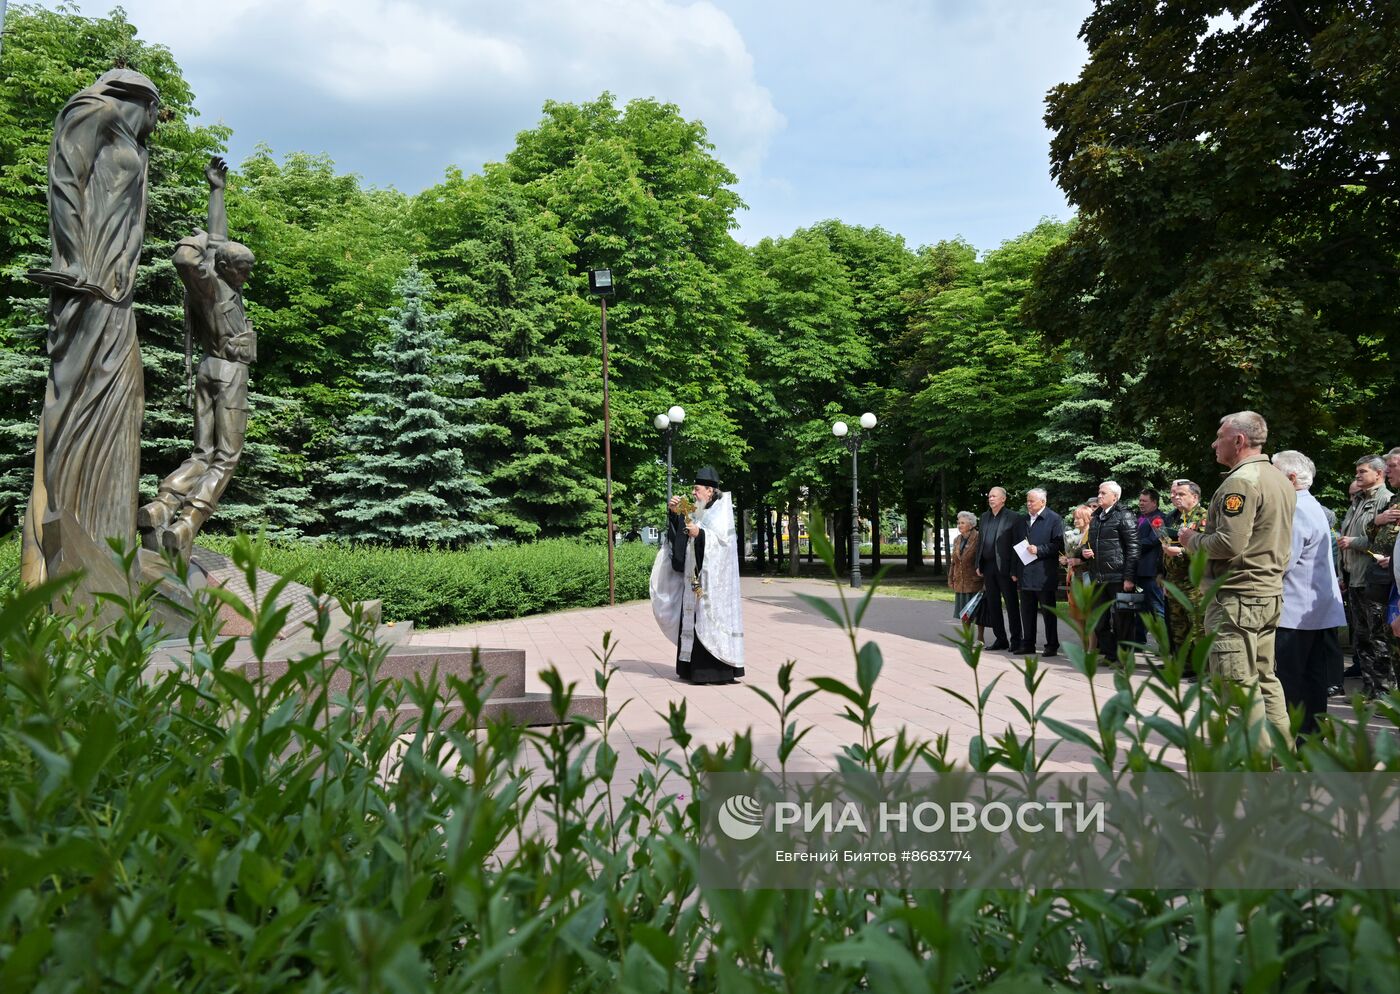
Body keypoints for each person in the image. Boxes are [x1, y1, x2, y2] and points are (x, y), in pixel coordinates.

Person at [21, 69, 162, 585]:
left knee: (127, 399)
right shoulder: (94, 111)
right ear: (143, 104)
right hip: (90, 282)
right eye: (157, 116)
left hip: (116, 289)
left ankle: (108, 543)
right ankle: (58, 551)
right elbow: (65, 181)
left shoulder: (134, 147)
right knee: (77, 399)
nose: (157, 127)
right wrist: (76, 260)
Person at [138, 156, 258, 562]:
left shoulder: (222, 279)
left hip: (209, 371)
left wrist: (217, 191)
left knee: (202, 454)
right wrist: (196, 242)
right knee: (226, 458)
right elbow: (185, 259)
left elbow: (218, 238)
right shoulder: (210, 289)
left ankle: (161, 506)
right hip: (227, 373)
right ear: (225, 268)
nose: (247, 276)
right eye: (243, 269)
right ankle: (187, 523)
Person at [1178, 411, 1295, 750]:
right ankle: (1281, 761)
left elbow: (1229, 543)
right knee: (1265, 680)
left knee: (1236, 686)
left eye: (1219, 436)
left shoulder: (1240, 482)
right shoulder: (1278, 479)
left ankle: (1254, 772)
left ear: (1239, 441)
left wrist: (1191, 541)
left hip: (1236, 596)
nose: (1215, 443)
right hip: (1266, 593)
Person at [1271, 450, 1346, 738]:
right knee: (1312, 678)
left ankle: (1300, 739)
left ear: (1290, 478)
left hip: (1296, 611)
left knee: (1293, 680)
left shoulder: (1295, 509)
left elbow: (1283, 561)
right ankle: (1312, 737)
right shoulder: (1309, 505)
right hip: (1310, 611)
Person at [650, 467, 745, 684]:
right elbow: (684, 532)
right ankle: (692, 670)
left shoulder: (721, 511)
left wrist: (700, 534)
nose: (693, 492)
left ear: (710, 491)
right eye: (693, 489)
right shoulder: (697, 509)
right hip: (694, 580)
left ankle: (715, 672)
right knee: (692, 622)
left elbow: (723, 545)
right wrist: (675, 514)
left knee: (709, 623)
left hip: (715, 586)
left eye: (697, 489)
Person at [1337, 455, 1392, 696]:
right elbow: (1345, 535)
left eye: (1363, 471)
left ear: (1378, 474)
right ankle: (1370, 689)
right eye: (1357, 472)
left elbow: (1384, 542)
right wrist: (1342, 573)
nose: (1357, 475)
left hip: (1373, 579)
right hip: (1354, 578)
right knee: (1362, 638)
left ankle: (1384, 693)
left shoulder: (1387, 501)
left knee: (1378, 638)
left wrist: (1353, 543)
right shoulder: (1358, 500)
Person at [1083, 480, 1139, 661]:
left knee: (1123, 620)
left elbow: (1133, 548)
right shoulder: (1096, 517)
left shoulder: (1124, 515)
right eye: (1099, 492)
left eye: (1103, 493)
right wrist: (1085, 551)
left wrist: (1129, 577)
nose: (1099, 496)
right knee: (1099, 621)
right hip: (1097, 576)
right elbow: (1091, 543)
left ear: (1115, 497)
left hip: (1118, 576)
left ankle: (1124, 657)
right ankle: (1111, 653)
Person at [1010, 488, 1065, 656]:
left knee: (1048, 612)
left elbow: (1058, 545)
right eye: (1027, 501)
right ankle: (1028, 644)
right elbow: (1015, 546)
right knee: (1026, 612)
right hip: (1025, 573)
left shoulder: (1054, 519)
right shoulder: (1022, 520)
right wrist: (1014, 570)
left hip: (1044, 573)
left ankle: (1051, 645)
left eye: (1032, 501)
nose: (1028, 504)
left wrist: (1039, 549)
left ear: (1043, 502)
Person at [1363, 447, 1400, 692]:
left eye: (1393, 466)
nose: (1387, 471)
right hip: (1386, 580)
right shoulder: (1394, 500)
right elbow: (1371, 534)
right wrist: (1376, 521)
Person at [1162, 479, 1208, 675]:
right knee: (1177, 625)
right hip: (1174, 579)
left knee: (1197, 626)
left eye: (1181, 495)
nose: (1176, 498)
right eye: (1175, 495)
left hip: (1194, 581)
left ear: (1195, 497)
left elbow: (1207, 547)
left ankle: (1204, 670)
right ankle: (1185, 666)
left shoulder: (1204, 516)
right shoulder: (1173, 518)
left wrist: (1180, 552)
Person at [976, 487, 1023, 651]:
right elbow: (981, 542)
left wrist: (1015, 570)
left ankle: (1016, 640)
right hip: (988, 566)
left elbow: (1018, 545)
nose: (990, 499)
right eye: (989, 496)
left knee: (1011, 605)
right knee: (993, 604)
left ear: (1003, 499)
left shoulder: (1014, 517)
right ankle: (1000, 639)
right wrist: (978, 564)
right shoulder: (984, 517)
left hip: (1006, 568)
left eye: (994, 496)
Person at [1133, 488, 1168, 643]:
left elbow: (1154, 540)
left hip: (1151, 571)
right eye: (1140, 500)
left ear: (1154, 502)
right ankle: (1139, 641)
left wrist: (1131, 546)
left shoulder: (1158, 518)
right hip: (1138, 570)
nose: (1141, 503)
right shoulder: (1140, 517)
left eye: (1144, 501)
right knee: (1141, 609)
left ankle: (1164, 645)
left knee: (1157, 609)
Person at [948, 510, 985, 643]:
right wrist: (951, 578)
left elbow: (983, 560)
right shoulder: (957, 539)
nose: (959, 525)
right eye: (958, 522)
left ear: (971, 524)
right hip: (960, 582)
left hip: (975, 581)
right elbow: (954, 562)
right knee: (964, 613)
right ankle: (967, 638)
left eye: (962, 523)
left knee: (978, 612)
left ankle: (980, 638)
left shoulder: (979, 538)